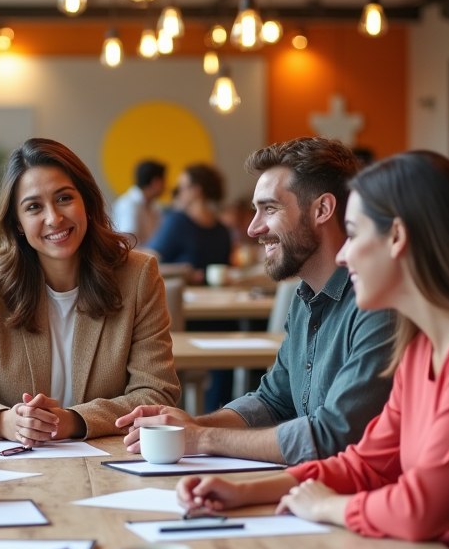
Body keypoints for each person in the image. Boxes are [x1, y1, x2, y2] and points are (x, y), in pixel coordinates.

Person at [177, 151, 449, 549]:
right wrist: (244, 491)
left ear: (396, 237)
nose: (343, 255)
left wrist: (326, 506)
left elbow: (420, 509)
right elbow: (365, 465)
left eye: (354, 234)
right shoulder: (418, 347)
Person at [118, 138, 396, 465]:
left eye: (270, 208)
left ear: (322, 209)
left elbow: (334, 436)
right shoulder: (304, 298)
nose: (252, 228)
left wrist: (202, 437)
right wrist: (191, 424)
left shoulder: (379, 306)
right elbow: (273, 401)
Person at [0, 138, 180, 443]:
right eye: (34, 207)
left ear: (86, 202)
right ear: (19, 223)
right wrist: (7, 422)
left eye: (64, 198)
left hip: (112, 458)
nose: (54, 218)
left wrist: (74, 421)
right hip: (20, 461)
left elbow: (157, 391)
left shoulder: (137, 275)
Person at [145, 163, 235, 411]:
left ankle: (216, 416)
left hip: (190, 314)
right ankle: (221, 415)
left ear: (196, 190)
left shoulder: (178, 222)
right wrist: (182, 271)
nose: (178, 194)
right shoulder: (222, 230)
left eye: (182, 188)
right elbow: (147, 264)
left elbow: (147, 259)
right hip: (213, 313)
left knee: (226, 347)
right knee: (227, 346)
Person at [112, 159, 166, 245]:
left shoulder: (154, 206)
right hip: (134, 258)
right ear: (156, 182)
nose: (166, 186)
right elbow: (127, 244)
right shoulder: (128, 205)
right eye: (164, 181)